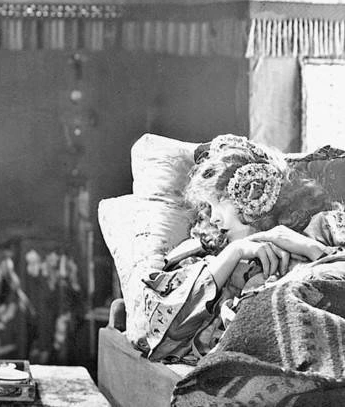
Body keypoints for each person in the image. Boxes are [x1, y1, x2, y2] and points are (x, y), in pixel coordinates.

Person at [134, 134, 345, 363]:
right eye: (209, 207)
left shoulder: (323, 225)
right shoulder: (206, 256)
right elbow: (154, 332)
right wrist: (233, 253)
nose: (213, 218)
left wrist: (312, 249)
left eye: (219, 202)